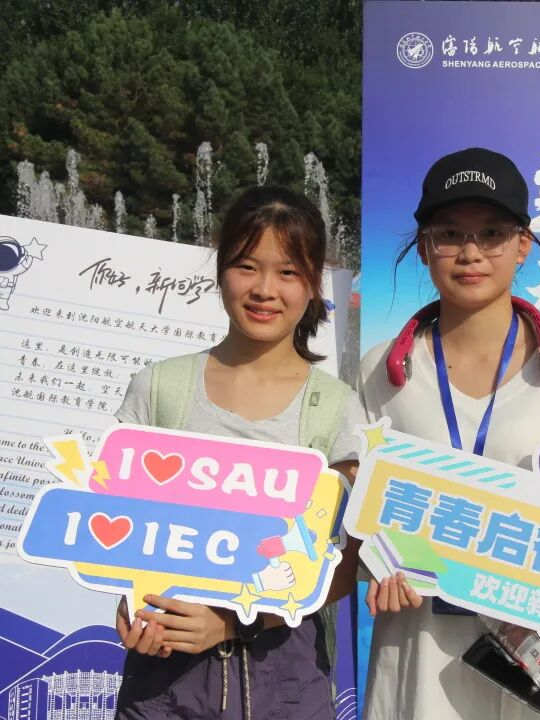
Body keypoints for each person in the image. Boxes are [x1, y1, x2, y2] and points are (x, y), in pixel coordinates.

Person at [356, 148, 540, 720]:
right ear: (424, 245)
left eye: (493, 233)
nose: (471, 252)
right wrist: (376, 559)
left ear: (523, 244)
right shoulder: (380, 371)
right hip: (421, 652)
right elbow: (352, 510)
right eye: (450, 233)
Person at [113, 185, 364, 720]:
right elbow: (118, 523)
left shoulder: (336, 409)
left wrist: (233, 623)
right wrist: (130, 600)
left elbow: (342, 564)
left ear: (313, 285)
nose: (264, 289)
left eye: (288, 272)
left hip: (284, 674)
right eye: (246, 266)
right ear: (220, 269)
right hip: (163, 677)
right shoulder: (158, 388)